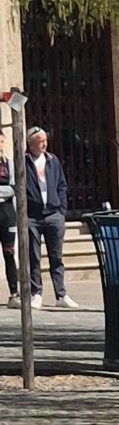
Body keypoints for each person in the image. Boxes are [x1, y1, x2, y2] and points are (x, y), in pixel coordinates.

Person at [24, 127, 78, 310]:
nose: (44, 144)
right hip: (32, 216)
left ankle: (61, 294)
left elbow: (62, 185)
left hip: (54, 215)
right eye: (40, 141)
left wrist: (61, 210)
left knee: (57, 256)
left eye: (45, 141)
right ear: (31, 143)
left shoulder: (52, 160)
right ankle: (36, 293)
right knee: (34, 257)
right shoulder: (24, 162)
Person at [0, 129, 19, 308]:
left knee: (9, 253)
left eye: (1, 142)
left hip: (6, 214)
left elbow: (15, 188)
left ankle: (14, 293)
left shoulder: (9, 163)